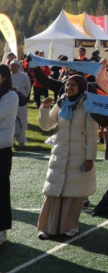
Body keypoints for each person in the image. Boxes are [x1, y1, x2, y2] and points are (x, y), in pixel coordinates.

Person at [37, 75, 98, 239]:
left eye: (73, 85)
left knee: (73, 194)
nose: (69, 88)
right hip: (59, 154)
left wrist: (90, 158)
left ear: (81, 87)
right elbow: (46, 125)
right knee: (54, 191)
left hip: (78, 156)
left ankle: (70, 226)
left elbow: (92, 135)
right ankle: (48, 227)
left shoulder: (87, 105)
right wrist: (44, 108)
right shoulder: (61, 102)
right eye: (67, 84)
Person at [0, 65, 18, 246]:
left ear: (4, 77)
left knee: (1, 189)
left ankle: (1, 229)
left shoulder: (11, 96)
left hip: (2, 149)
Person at [9, 60, 30, 147]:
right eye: (12, 66)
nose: (13, 67)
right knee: (11, 120)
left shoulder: (24, 76)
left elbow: (28, 88)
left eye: (15, 66)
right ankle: (11, 139)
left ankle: (21, 140)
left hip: (21, 102)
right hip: (10, 102)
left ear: (18, 67)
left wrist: (23, 97)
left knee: (21, 120)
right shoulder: (8, 76)